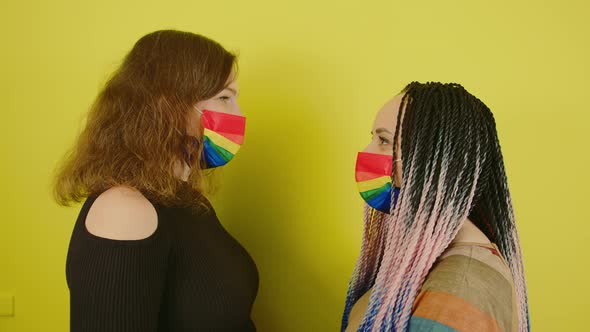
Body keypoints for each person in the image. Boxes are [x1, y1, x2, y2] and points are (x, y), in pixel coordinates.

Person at [54, 30, 258, 331]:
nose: (239, 114)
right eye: (224, 97)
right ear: (168, 105)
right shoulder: (123, 211)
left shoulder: (187, 201)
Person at [342, 82, 530, 331]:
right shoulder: (432, 259)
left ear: (435, 160)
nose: (367, 151)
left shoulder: (461, 290)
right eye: (372, 138)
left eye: (384, 140)